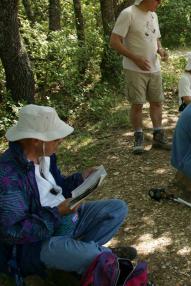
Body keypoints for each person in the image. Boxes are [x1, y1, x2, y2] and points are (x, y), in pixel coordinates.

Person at [0, 105, 135, 279]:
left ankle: (78, 254)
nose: (61, 140)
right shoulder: (8, 177)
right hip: (36, 244)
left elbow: (57, 187)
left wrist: (80, 178)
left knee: (117, 209)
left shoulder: (45, 156)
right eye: (55, 139)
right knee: (93, 257)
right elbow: (13, 232)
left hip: (65, 220)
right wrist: (57, 213)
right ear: (35, 140)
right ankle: (91, 255)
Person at [110, 0, 171, 154]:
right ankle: (138, 137)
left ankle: (158, 136)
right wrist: (135, 58)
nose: (159, 2)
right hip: (134, 68)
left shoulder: (153, 15)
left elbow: (155, 38)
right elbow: (114, 42)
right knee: (137, 104)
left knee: (157, 102)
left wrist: (160, 50)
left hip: (154, 67)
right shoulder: (128, 14)